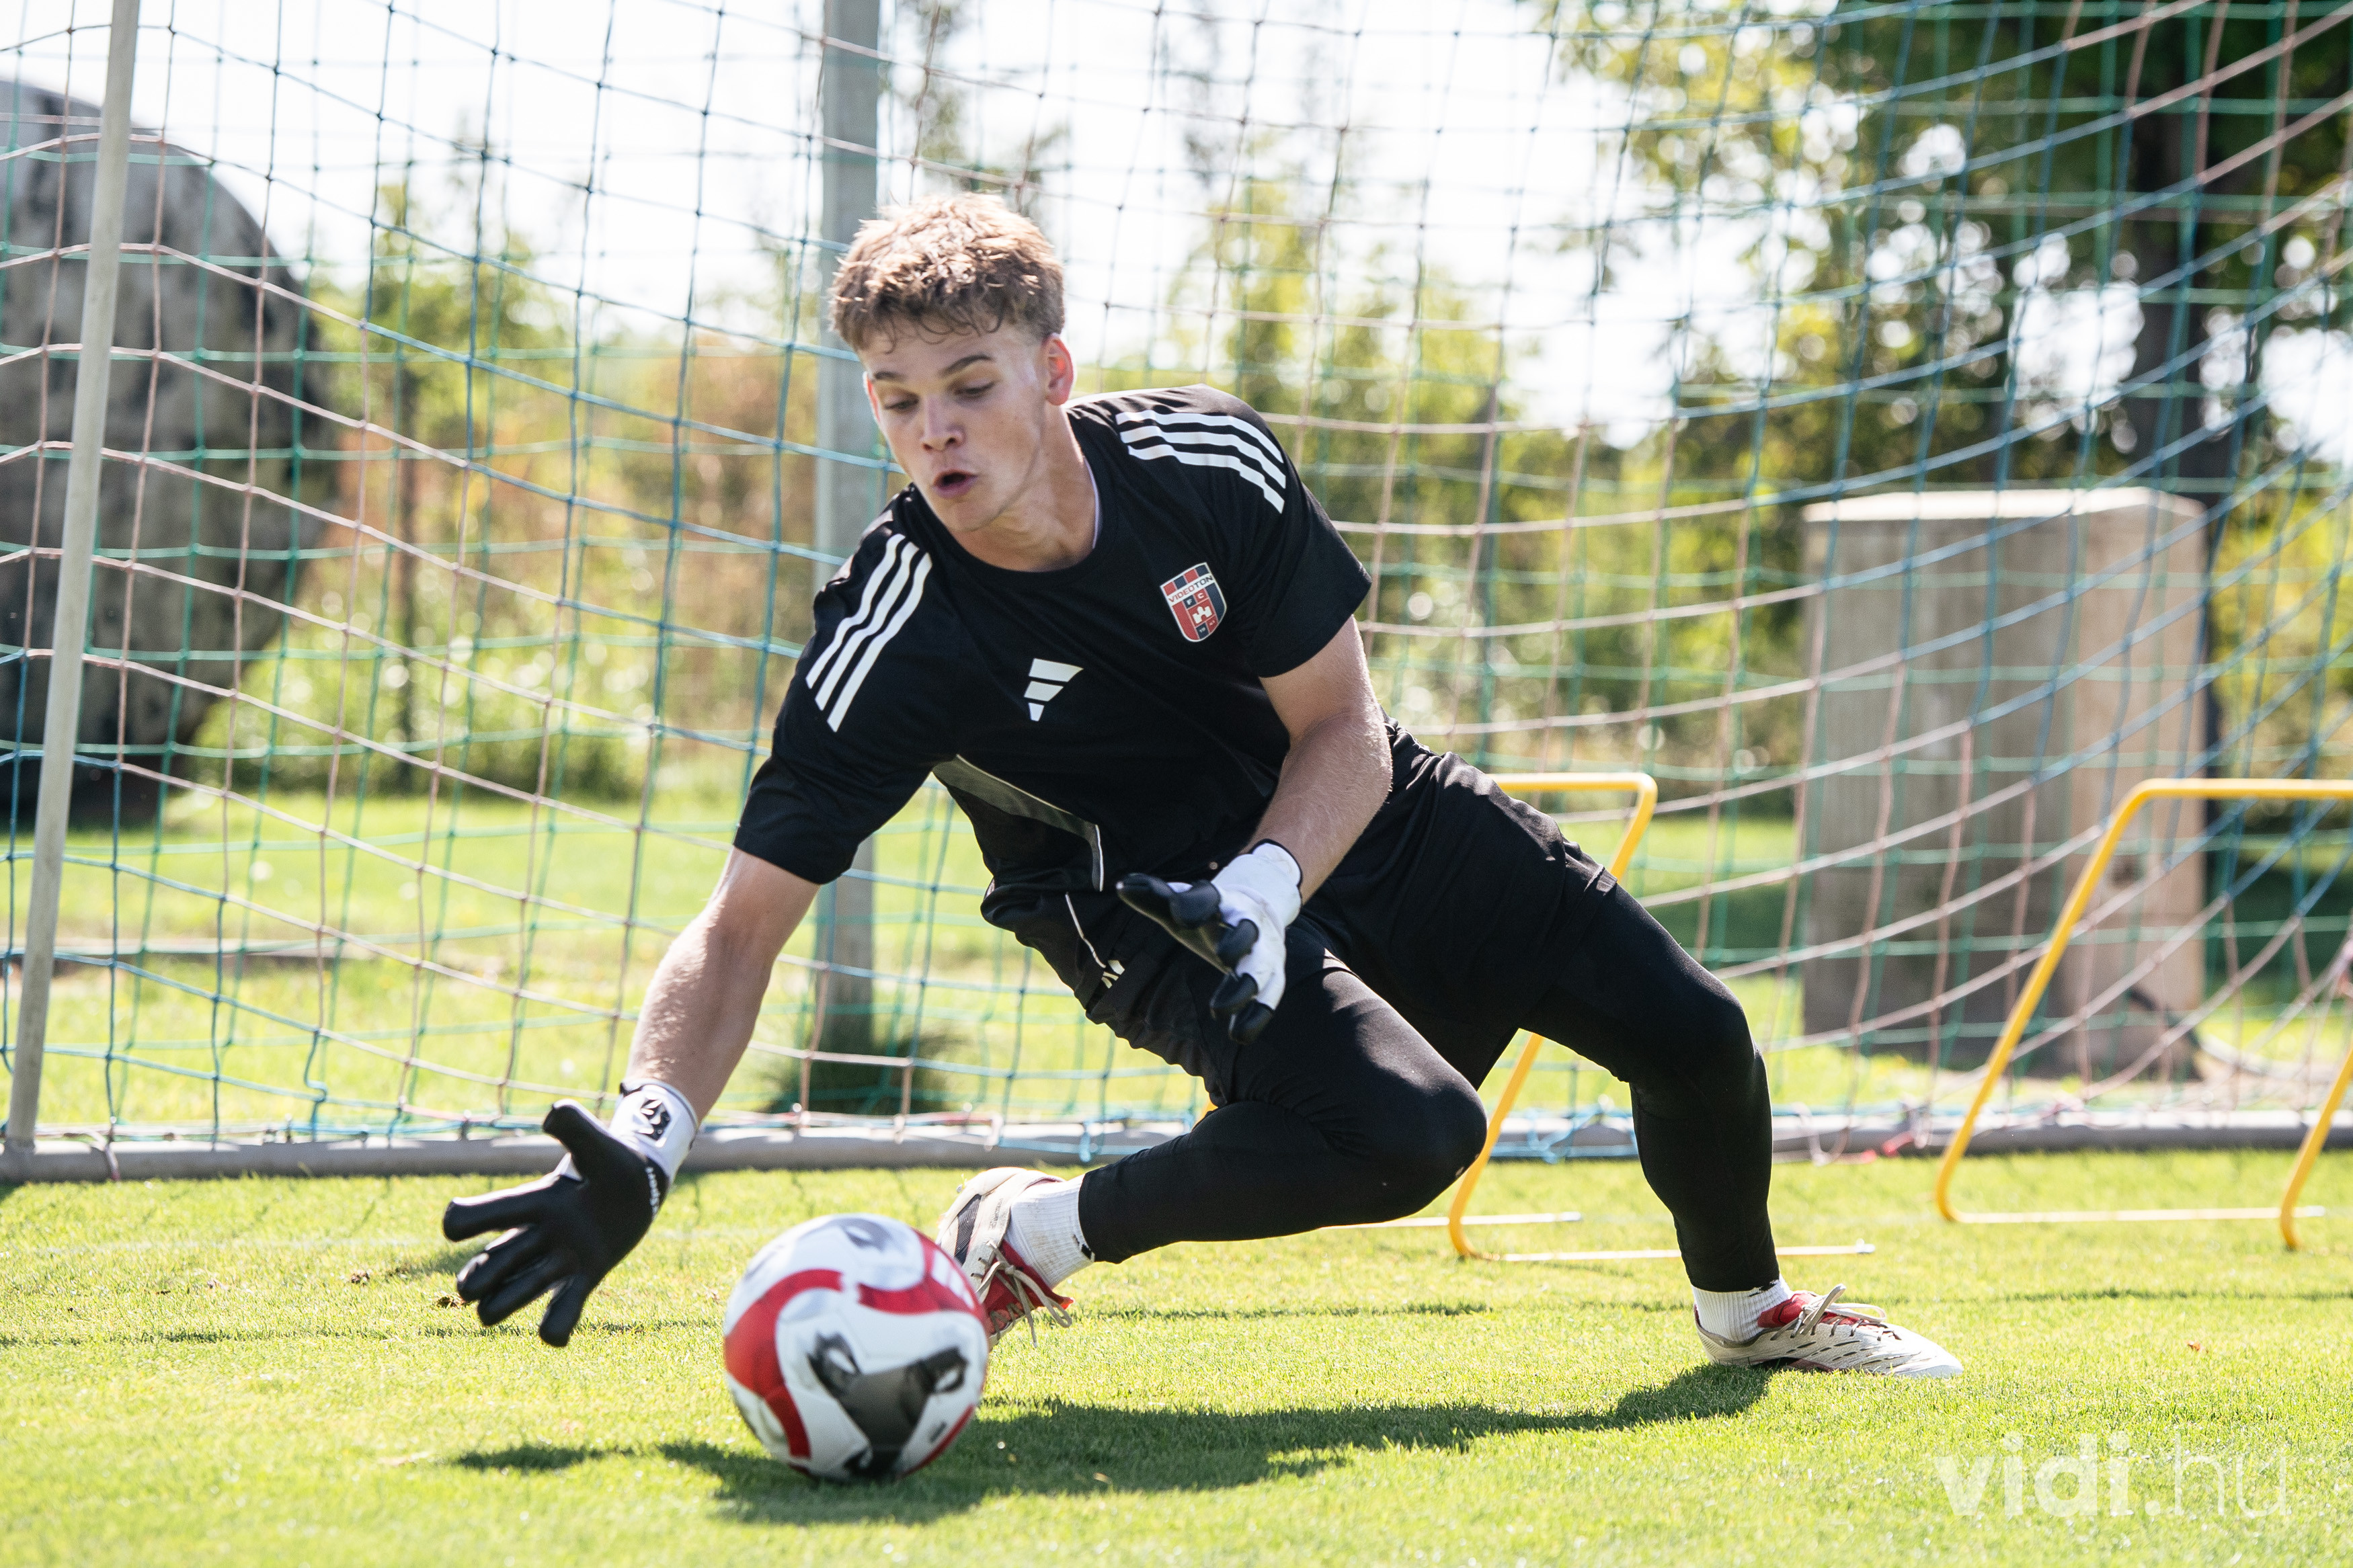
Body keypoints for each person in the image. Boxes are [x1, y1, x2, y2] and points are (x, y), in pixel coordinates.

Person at [441, 194, 1960, 1379]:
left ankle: (1749, 1312)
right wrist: (651, 1134)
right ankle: (1035, 1230)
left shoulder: (1204, 464)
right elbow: (739, 927)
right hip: (1134, 902)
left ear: (1053, 372)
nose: (933, 429)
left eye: (968, 384)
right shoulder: (895, 637)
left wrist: (1271, 885)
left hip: (1338, 812)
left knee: (1696, 1036)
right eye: (895, 400)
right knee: (1411, 1137)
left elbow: (1345, 727)